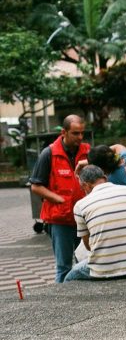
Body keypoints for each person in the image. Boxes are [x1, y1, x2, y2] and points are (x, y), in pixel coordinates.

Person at [65, 165, 126, 281]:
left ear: (85, 185)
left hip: (102, 270)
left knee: (69, 278)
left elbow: (88, 246)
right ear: (105, 178)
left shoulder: (80, 205)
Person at [29, 115, 91, 283]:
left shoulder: (87, 152)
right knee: (64, 266)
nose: (79, 137)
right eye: (75, 133)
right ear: (64, 132)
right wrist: (59, 199)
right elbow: (35, 186)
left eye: (81, 133)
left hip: (84, 218)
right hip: (60, 220)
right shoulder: (49, 153)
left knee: (85, 263)